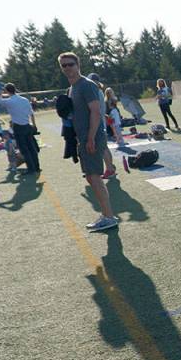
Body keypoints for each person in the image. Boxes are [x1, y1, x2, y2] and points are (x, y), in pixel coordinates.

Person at [61, 52, 117, 232]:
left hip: (92, 137)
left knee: (94, 177)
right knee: (91, 177)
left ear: (78, 65)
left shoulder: (86, 85)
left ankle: (109, 217)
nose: (67, 68)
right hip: (83, 137)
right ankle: (107, 215)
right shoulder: (72, 88)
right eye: (64, 65)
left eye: (70, 64)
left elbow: (96, 112)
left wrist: (91, 137)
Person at [0, 83, 40, 174]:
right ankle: (36, 167)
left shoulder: (9, 101)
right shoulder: (24, 100)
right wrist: (34, 125)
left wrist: (0, 93)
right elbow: (31, 113)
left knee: (24, 149)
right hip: (27, 125)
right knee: (31, 147)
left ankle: (31, 169)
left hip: (18, 127)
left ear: (7, 91)